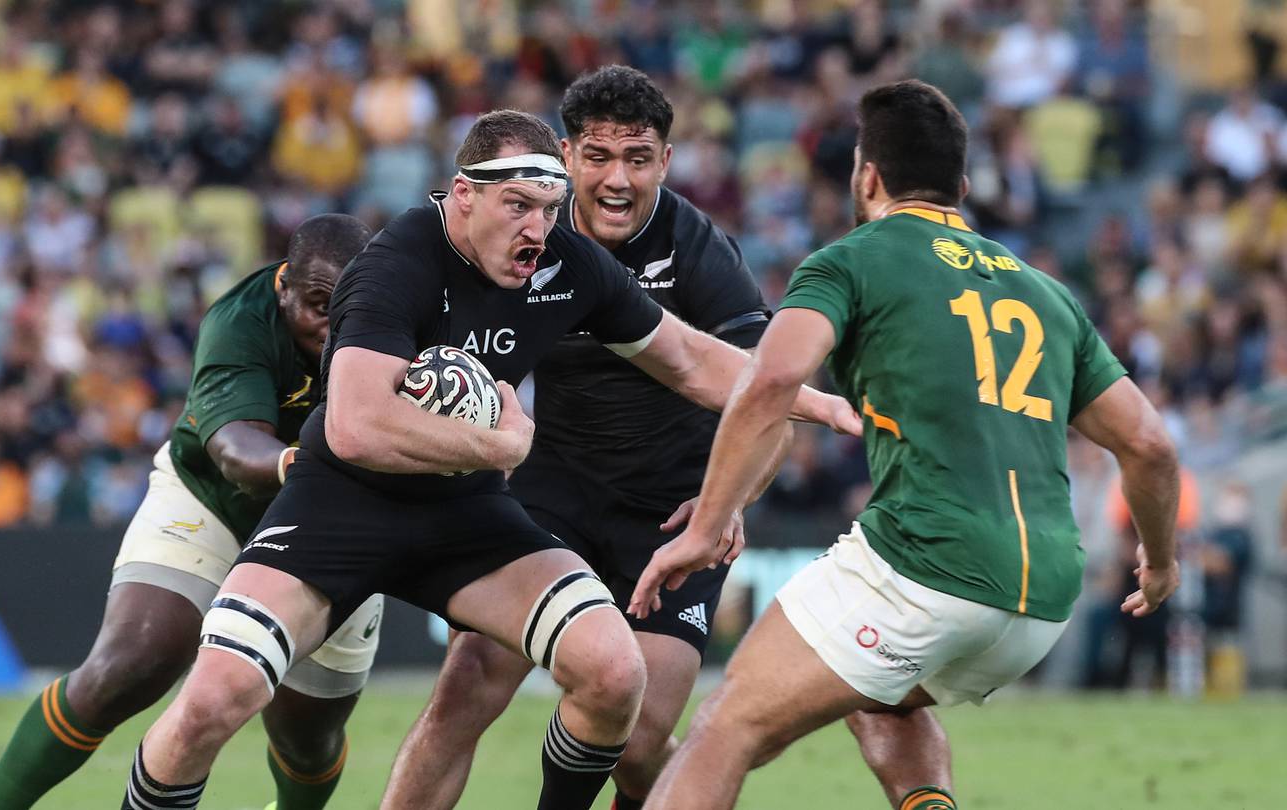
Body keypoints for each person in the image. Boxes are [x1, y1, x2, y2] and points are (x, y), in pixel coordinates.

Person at [117, 109, 857, 810]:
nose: (539, 227)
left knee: (612, 670)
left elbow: (689, 359)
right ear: (463, 196)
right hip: (341, 505)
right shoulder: (395, 260)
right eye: (518, 206)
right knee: (213, 700)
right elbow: (355, 425)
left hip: (464, 511)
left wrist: (792, 394)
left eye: (549, 206)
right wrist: (501, 445)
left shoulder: (567, 263)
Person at [628, 80, 1183, 810]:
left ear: (867, 176)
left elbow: (772, 380)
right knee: (879, 690)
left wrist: (706, 530)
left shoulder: (852, 261)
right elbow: (1149, 444)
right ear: (960, 185)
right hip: (1043, 597)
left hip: (926, 563)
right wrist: (1162, 560)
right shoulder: (1046, 294)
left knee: (728, 727)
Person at [381, 65, 924, 810]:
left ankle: (677, 784)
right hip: (553, 497)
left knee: (635, 744)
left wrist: (726, 502)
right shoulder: (525, 233)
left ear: (665, 163)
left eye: (638, 159)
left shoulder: (698, 249)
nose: (616, 179)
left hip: (672, 513)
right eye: (598, 157)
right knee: (467, 684)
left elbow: (765, 392)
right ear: (566, 156)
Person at [0, 214, 380, 810]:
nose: (334, 324)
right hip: (214, 499)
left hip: (339, 528)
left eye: (349, 305)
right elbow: (238, 452)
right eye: (319, 304)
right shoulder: (239, 321)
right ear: (283, 285)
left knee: (307, 734)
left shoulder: (397, 317)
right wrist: (312, 465)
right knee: (133, 661)